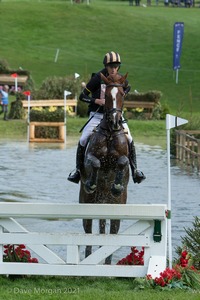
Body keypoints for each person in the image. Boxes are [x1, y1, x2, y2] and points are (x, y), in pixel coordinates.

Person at [68, 51, 146, 185]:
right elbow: (83, 96)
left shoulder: (120, 79)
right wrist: (97, 101)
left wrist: (122, 95)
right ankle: (77, 171)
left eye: (116, 66)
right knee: (83, 138)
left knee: (130, 138)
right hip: (98, 115)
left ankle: (135, 170)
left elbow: (128, 87)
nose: (114, 69)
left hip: (115, 116)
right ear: (106, 66)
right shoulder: (98, 78)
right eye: (111, 66)